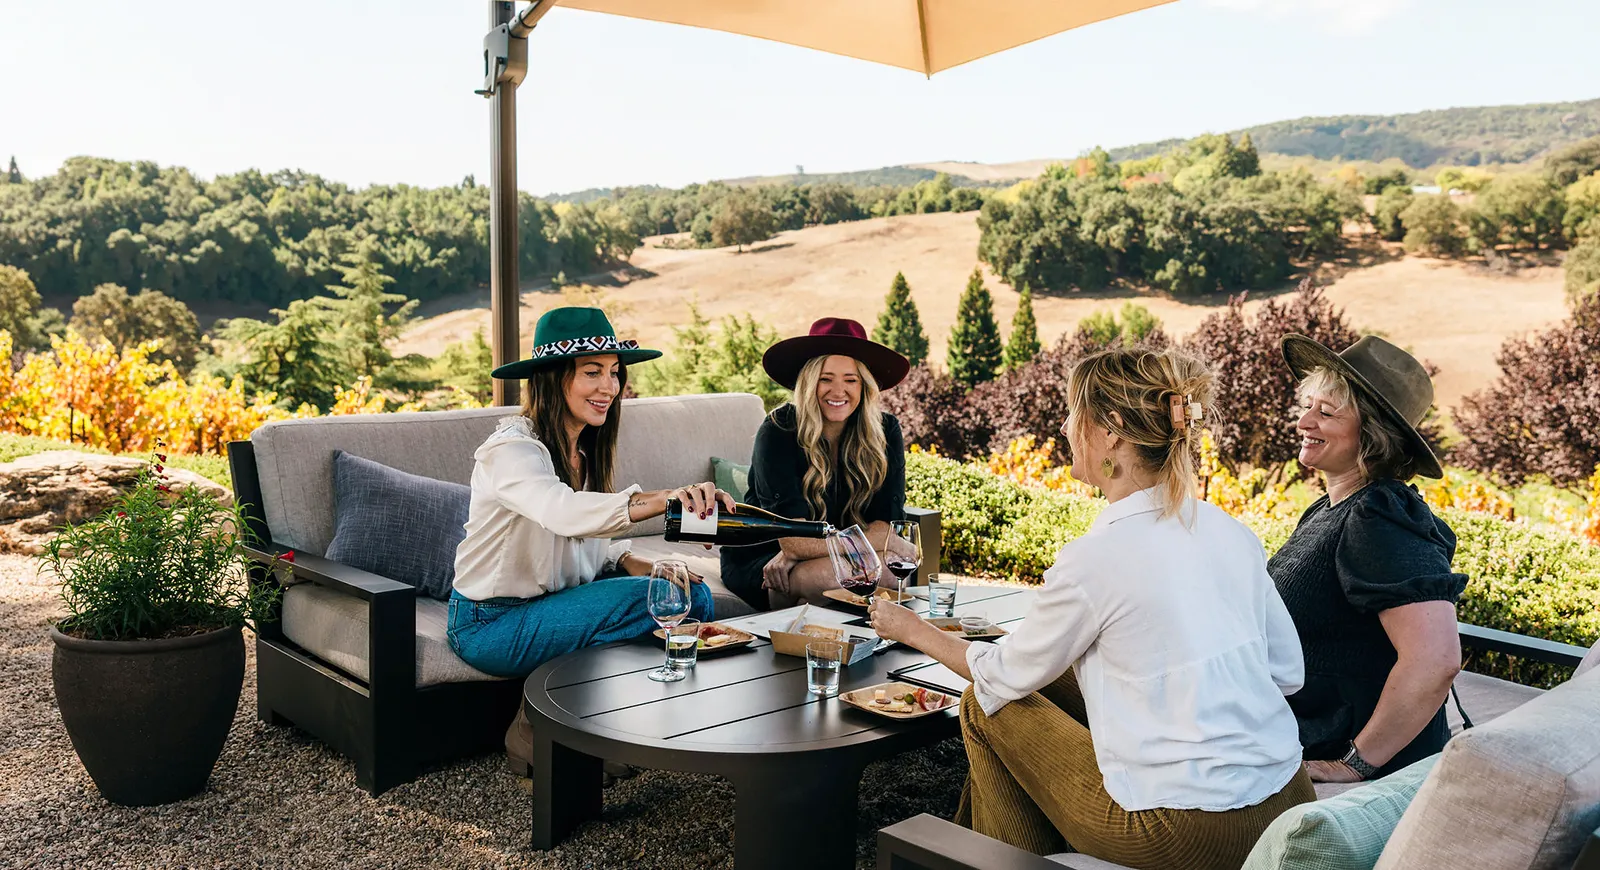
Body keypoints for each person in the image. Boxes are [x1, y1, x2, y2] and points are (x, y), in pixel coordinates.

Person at [870, 347, 1313, 870]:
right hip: (1287, 803)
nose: (1062, 427)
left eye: (1072, 413)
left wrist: (911, 628)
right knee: (1036, 684)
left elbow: (1002, 677)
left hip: (1187, 836)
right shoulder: (1230, 531)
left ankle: (996, 859)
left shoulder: (1096, 558)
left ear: (1112, 432)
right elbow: (1287, 674)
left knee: (986, 703)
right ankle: (976, 844)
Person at [447, 306, 732, 682]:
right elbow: (561, 513)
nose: (609, 387)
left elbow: (573, 538)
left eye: (614, 373)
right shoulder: (510, 451)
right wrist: (668, 497)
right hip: (490, 624)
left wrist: (623, 558)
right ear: (552, 379)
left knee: (690, 594)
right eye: (592, 372)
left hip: (549, 605)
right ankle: (540, 721)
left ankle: (622, 710)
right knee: (683, 602)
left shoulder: (584, 454)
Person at [1270, 334, 1467, 783]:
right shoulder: (1331, 507)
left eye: (1326, 412)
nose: (1303, 422)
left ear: (1374, 434)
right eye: (1307, 406)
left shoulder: (1378, 518)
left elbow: (1436, 659)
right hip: (1293, 734)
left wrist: (1355, 764)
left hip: (1361, 765)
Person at [719, 317, 913, 611]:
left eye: (851, 379)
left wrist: (804, 550)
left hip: (838, 559)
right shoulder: (778, 429)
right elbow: (792, 542)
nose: (838, 391)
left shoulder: (886, 430)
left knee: (885, 571)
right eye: (826, 378)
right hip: (765, 558)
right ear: (809, 382)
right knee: (839, 575)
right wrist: (796, 551)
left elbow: (887, 528)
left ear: (865, 386)